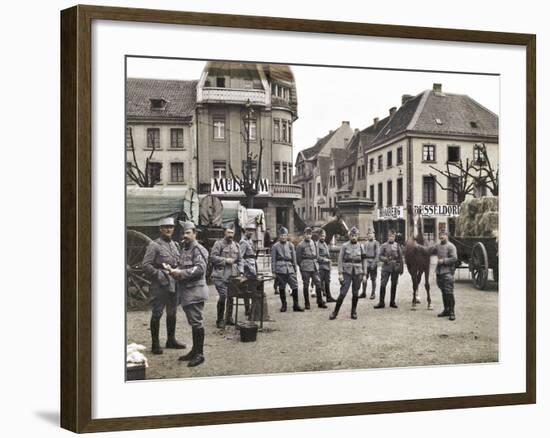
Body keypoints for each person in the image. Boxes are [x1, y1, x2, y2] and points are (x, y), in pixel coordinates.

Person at [164, 221, 209, 367]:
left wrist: (181, 273)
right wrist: (172, 269)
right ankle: (194, 351)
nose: (185, 236)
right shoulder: (185, 248)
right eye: (184, 233)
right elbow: (183, 266)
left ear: (195, 234)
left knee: (197, 322)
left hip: (195, 291)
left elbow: (200, 269)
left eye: (188, 233)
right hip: (187, 291)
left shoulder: (198, 249)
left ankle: (199, 354)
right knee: (193, 322)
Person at [141, 217, 186, 355]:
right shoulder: (154, 245)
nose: (168, 229)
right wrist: (159, 274)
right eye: (165, 227)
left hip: (174, 283)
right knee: (157, 313)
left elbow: (178, 262)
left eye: (171, 227)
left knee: (172, 313)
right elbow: (145, 265)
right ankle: (155, 344)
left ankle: (171, 340)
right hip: (160, 285)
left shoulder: (175, 245)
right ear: (160, 229)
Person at [415, 229, 458, 321]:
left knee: (449, 292)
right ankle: (446, 310)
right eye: (440, 234)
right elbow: (427, 250)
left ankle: (452, 312)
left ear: (447, 235)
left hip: (447, 273)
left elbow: (454, 258)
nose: (441, 236)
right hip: (439, 273)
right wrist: (418, 246)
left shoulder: (451, 246)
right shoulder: (437, 246)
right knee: (443, 292)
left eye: (443, 234)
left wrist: (443, 261)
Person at [210, 225, 244, 328]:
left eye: (232, 233)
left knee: (231, 297)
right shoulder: (218, 244)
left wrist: (241, 272)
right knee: (223, 296)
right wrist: (225, 260)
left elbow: (240, 260)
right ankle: (220, 320)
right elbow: (212, 257)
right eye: (228, 232)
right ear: (225, 233)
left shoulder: (236, 245)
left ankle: (229, 318)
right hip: (220, 275)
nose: (230, 235)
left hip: (232, 276)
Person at [330, 227, 366, 320]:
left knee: (355, 293)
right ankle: (335, 312)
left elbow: (364, 260)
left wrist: (364, 274)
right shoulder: (345, 246)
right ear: (349, 236)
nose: (354, 237)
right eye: (352, 235)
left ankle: (353, 312)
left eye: (355, 235)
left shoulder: (361, 246)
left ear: (358, 236)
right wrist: (340, 273)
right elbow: (340, 260)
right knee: (343, 293)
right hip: (347, 272)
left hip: (358, 272)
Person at [271, 227, 304, 312]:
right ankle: (284, 305)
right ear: (279, 236)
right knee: (282, 287)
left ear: (287, 236)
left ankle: (295, 305)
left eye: (284, 235)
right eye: (281, 235)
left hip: (290, 268)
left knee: (295, 286)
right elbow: (273, 260)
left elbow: (294, 258)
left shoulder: (291, 245)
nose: (283, 237)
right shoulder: (275, 246)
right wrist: (273, 271)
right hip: (280, 269)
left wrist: (295, 269)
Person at [296, 227, 327, 309]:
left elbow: (316, 255)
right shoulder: (300, 245)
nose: (308, 236)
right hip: (305, 267)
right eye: (307, 234)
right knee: (306, 285)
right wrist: (302, 267)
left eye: (310, 234)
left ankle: (320, 302)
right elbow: (298, 259)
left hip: (314, 266)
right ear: (304, 235)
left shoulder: (313, 243)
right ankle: (307, 303)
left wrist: (319, 261)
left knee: (318, 284)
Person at [374, 229, 404, 309]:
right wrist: (386, 259)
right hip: (386, 268)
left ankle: (392, 302)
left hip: (395, 268)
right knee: (383, 284)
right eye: (390, 236)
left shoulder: (397, 246)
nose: (391, 238)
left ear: (394, 237)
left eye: (393, 236)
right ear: (388, 236)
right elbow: (379, 256)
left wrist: (401, 269)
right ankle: (381, 302)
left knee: (394, 284)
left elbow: (401, 258)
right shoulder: (383, 245)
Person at [240, 224, 257, 317]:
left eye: (252, 230)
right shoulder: (243, 242)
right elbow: (240, 257)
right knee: (247, 290)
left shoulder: (250, 241)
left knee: (253, 289)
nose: (251, 232)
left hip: (252, 267)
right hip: (247, 270)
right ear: (245, 231)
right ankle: (248, 309)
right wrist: (246, 267)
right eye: (249, 230)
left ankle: (252, 310)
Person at [359, 229, 380, 300]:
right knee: (364, 278)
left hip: (372, 262)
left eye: (371, 234)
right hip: (366, 263)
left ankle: (373, 293)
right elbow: (363, 254)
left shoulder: (376, 243)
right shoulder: (365, 243)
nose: (370, 235)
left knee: (373, 279)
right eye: (369, 234)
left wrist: (374, 263)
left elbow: (377, 255)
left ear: (374, 235)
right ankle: (363, 292)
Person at [317, 229, 336, 303]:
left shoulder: (324, 244)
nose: (323, 237)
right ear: (319, 236)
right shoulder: (317, 244)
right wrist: (324, 260)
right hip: (321, 267)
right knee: (319, 283)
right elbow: (317, 256)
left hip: (327, 267)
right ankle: (319, 299)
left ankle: (329, 297)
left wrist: (329, 263)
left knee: (327, 282)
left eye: (324, 236)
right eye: (321, 236)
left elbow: (327, 255)